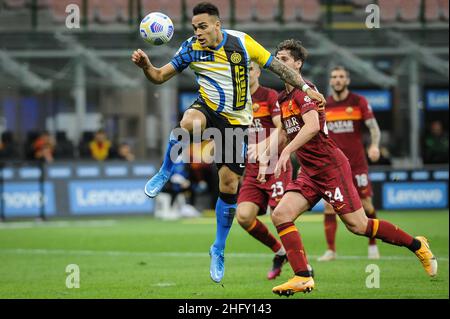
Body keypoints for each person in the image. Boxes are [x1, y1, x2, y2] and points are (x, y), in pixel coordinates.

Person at [131, 2, 326, 283]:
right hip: (207, 107)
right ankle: (165, 171)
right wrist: (147, 66)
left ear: (217, 25)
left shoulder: (242, 43)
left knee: (228, 185)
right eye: (194, 27)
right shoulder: (189, 48)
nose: (198, 32)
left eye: (203, 27)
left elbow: (280, 70)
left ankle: (218, 248)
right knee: (188, 123)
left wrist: (306, 87)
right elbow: (160, 77)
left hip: (235, 122)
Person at [268, 39, 437, 296]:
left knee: (359, 226)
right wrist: (267, 154)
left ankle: (417, 245)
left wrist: (288, 151)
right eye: (277, 59)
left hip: (330, 167)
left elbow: (312, 127)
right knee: (280, 215)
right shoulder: (283, 98)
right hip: (309, 172)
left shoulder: (307, 91)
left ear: (298, 64)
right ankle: (302, 276)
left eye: (285, 59)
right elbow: (288, 134)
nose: (279, 63)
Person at [318, 66, 382, 262]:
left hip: (357, 164)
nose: (337, 80)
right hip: (333, 165)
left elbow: (373, 128)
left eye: (341, 77)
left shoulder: (358, 102)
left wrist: (374, 146)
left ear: (347, 80)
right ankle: (331, 250)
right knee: (329, 206)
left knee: (365, 204)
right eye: (334, 77)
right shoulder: (324, 105)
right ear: (330, 81)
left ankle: (372, 245)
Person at [236, 61, 293, 280]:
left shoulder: (270, 96)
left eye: (250, 68)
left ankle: (303, 267)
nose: (247, 72)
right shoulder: (237, 101)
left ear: (258, 72)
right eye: (243, 69)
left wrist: (263, 149)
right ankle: (280, 252)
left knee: (281, 216)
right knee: (243, 216)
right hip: (252, 168)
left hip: (275, 164)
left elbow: (282, 128)